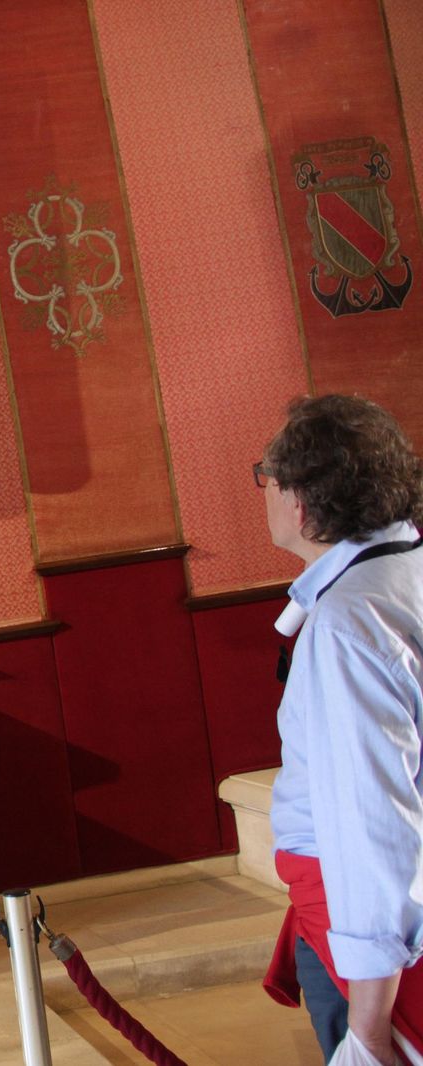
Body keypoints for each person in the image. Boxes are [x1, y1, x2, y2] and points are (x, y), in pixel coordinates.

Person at [255, 395, 423, 1065]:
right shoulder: (398, 576)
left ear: (300, 500)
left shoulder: (351, 622)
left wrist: (370, 1021)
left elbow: (373, 823)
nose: (262, 489)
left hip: (372, 939)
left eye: (264, 474)